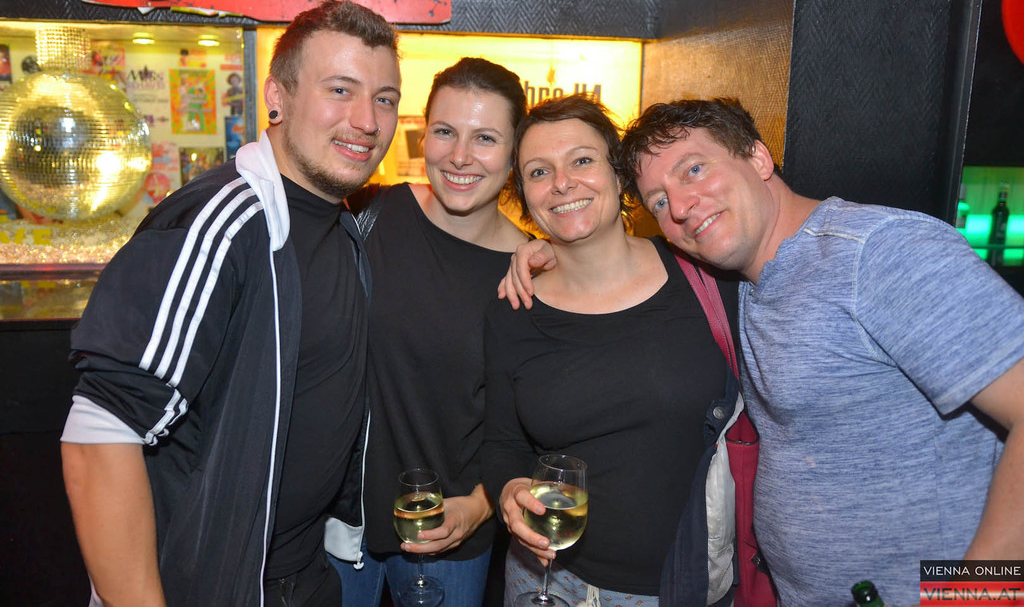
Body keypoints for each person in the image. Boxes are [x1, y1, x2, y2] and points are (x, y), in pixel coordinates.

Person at [504, 98, 1024, 606]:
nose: (680, 207)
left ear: (757, 157)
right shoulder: (739, 282)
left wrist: (975, 596)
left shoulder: (879, 251)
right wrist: (558, 248)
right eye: (659, 201)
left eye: (694, 170)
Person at [60, 0, 402, 606]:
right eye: (340, 90)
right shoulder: (220, 223)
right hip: (207, 586)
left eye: (385, 99)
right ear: (278, 96)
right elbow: (100, 434)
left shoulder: (344, 228)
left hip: (304, 575)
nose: (366, 120)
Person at [482, 94, 743, 606]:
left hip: (675, 588)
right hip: (545, 581)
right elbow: (502, 443)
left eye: (582, 160)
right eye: (539, 172)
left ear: (620, 175)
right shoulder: (513, 308)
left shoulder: (704, 278)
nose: (562, 183)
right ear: (524, 196)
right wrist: (510, 490)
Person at [325, 57, 531, 606]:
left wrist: (480, 505)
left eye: (485, 138)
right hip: (339, 521)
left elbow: (532, 421)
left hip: (450, 527)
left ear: (515, 153)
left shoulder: (532, 274)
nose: (459, 156)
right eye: (444, 131)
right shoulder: (370, 212)